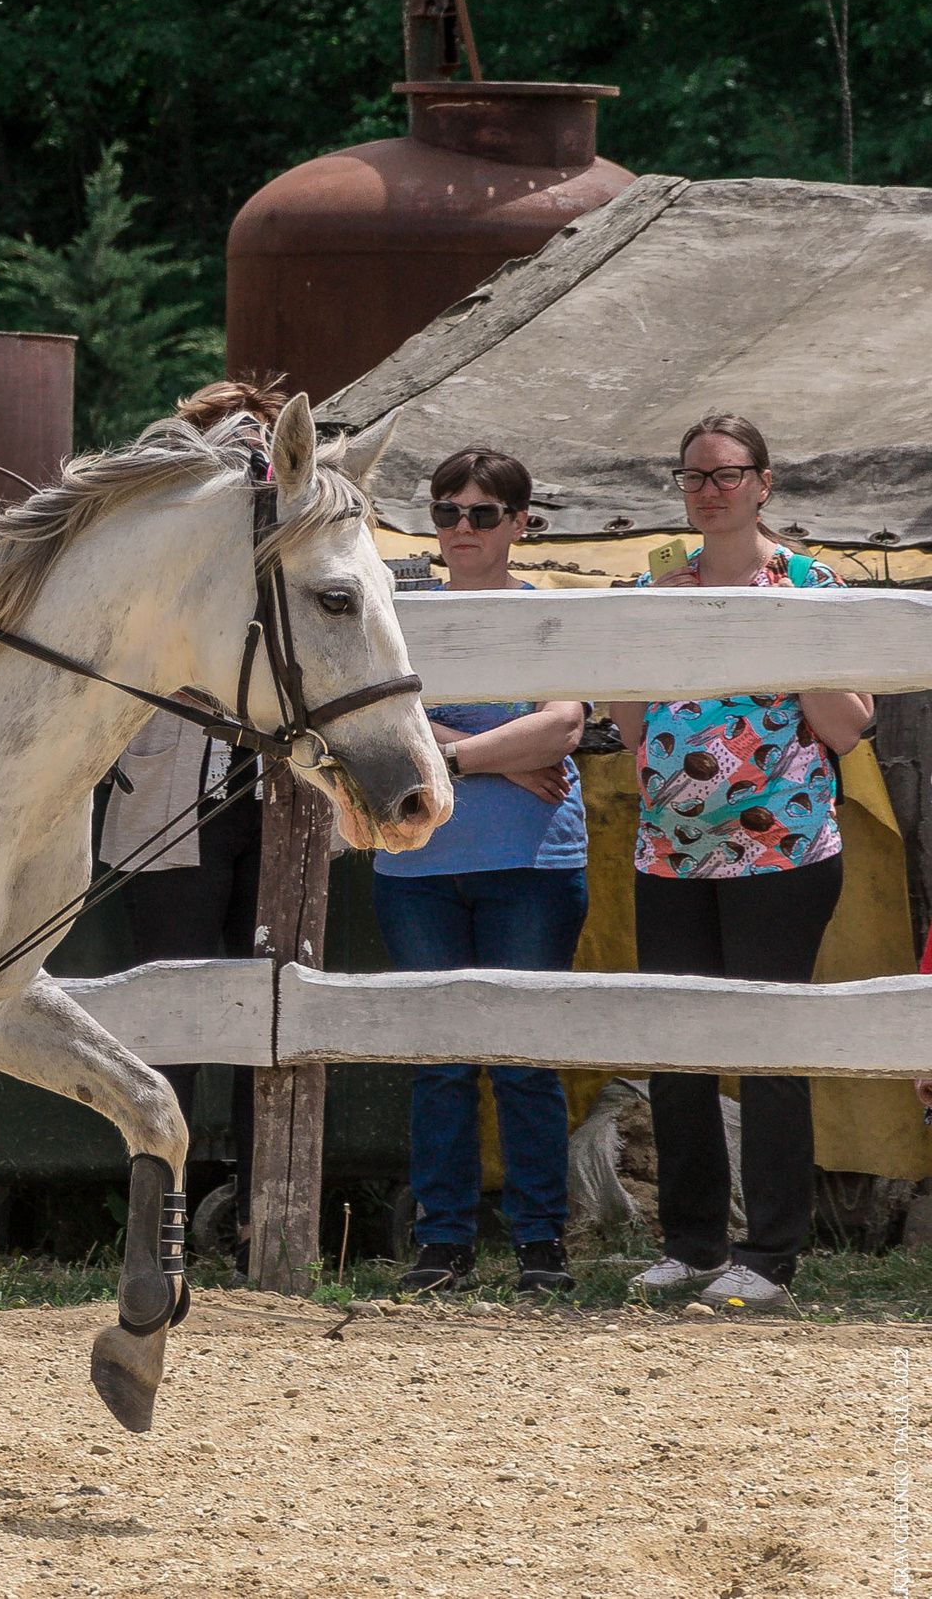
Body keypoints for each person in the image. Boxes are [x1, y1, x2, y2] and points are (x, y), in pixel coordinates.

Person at [611, 413, 873, 1311]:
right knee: (678, 1045)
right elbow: (634, 726)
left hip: (783, 851)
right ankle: (690, 1241)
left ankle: (769, 1255)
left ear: (765, 482)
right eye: (693, 476)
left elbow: (847, 724)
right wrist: (646, 633)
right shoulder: (653, 587)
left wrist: (779, 629)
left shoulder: (810, 581)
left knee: (767, 1050)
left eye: (727, 474)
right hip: (670, 853)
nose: (709, 490)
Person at [372, 448, 590, 1297]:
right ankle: (443, 1246)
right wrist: (498, 756)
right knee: (439, 1061)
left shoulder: (555, 615)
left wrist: (447, 753)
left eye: (483, 513)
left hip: (532, 863)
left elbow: (564, 727)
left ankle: (542, 1247)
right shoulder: (397, 615)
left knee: (527, 1058)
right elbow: (385, 735)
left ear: (520, 523)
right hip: (417, 864)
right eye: (447, 511)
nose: (462, 526)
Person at [101, 379, 284, 1282]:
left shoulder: (286, 532)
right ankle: (155, 1225)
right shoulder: (154, 533)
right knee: (167, 1019)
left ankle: (265, 1217)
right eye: (224, 438)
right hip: (171, 800)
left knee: (274, 1017)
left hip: (277, 806)